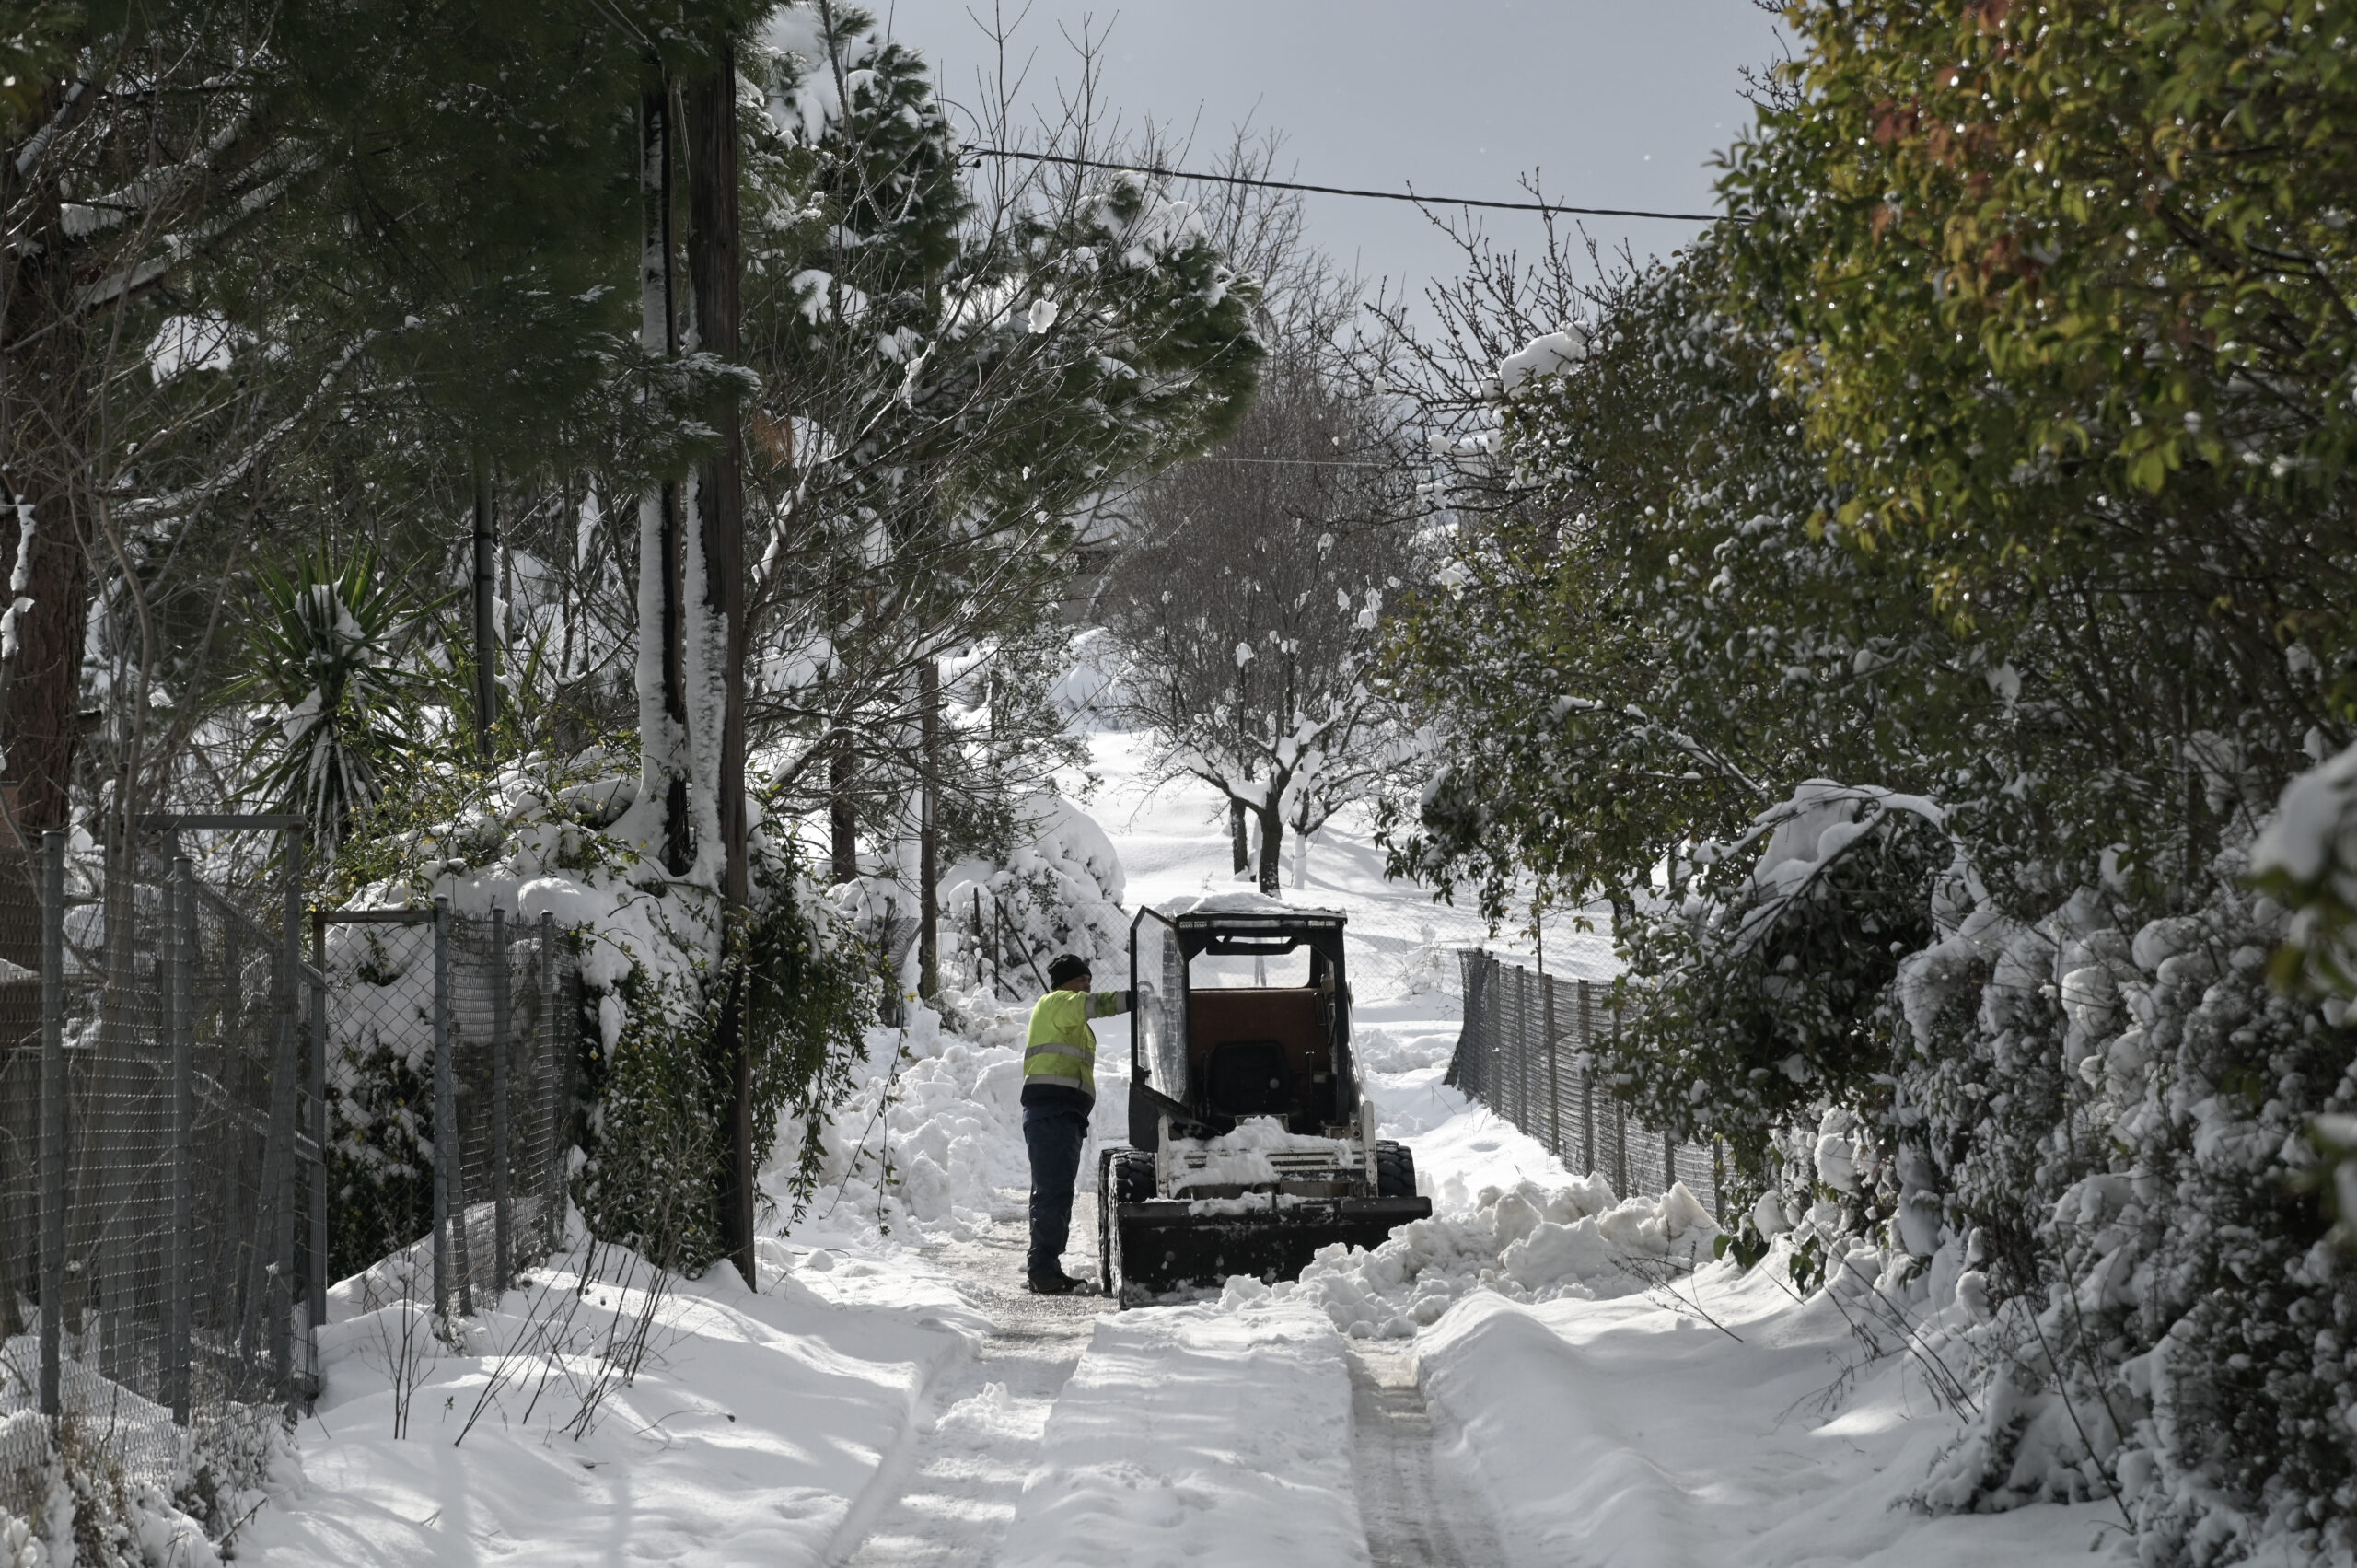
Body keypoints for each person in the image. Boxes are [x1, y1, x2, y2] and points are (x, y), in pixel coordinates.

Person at [1021, 952, 1132, 1294]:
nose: (1087, 984)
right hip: (1052, 1111)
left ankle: (1045, 1265)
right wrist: (1135, 999)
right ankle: (1042, 1270)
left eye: (1089, 979)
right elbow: (1094, 1005)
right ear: (1065, 983)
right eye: (1081, 979)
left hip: (1062, 1113)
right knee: (1053, 1191)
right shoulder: (1058, 1003)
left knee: (1052, 1190)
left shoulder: (1070, 1022)